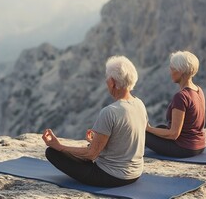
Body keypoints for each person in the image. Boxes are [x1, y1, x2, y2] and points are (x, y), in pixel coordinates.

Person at [42, 55, 148, 187]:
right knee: (85, 148)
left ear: (113, 83)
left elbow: (91, 155)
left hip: (112, 177)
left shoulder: (110, 111)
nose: (106, 82)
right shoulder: (139, 104)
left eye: (107, 79)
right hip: (135, 174)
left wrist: (60, 146)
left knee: (52, 153)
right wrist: (96, 141)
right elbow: (127, 139)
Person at [145, 50, 206, 158]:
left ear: (180, 71)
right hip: (199, 145)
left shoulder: (181, 97)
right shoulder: (198, 90)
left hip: (185, 148)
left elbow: (174, 134)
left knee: (142, 134)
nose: (170, 71)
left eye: (172, 68)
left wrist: (148, 129)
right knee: (160, 127)